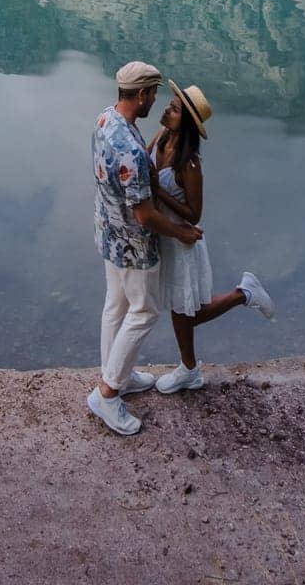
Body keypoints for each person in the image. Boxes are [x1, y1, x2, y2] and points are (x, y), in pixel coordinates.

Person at [88, 61, 204, 436]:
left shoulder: (106, 120)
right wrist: (180, 233)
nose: (156, 100)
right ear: (141, 95)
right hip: (134, 247)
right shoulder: (133, 152)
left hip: (107, 232)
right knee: (144, 312)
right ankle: (107, 394)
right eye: (154, 94)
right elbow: (145, 217)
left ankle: (115, 373)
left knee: (115, 306)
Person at [150, 81, 275, 395]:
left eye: (175, 109)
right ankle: (189, 368)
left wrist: (158, 190)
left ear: (188, 122)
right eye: (170, 104)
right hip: (164, 236)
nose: (167, 109)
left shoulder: (189, 164)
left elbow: (195, 214)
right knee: (181, 310)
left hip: (182, 241)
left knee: (184, 311)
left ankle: (241, 295)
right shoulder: (160, 138)